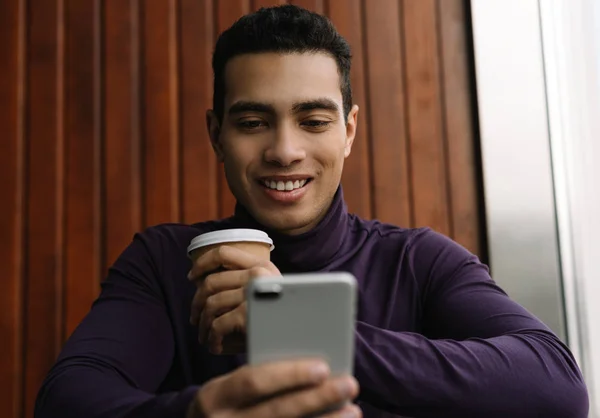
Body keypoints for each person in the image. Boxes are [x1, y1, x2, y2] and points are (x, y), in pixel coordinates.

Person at [34, 5, 588, 418]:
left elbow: (556, 387)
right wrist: (197, 412)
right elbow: (69, 397)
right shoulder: (162, 261)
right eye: (253, 122)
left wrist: (292, 326)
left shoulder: (417, 261)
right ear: (216, 134)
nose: (284, 149)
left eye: (313, 121)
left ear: (348, 131)